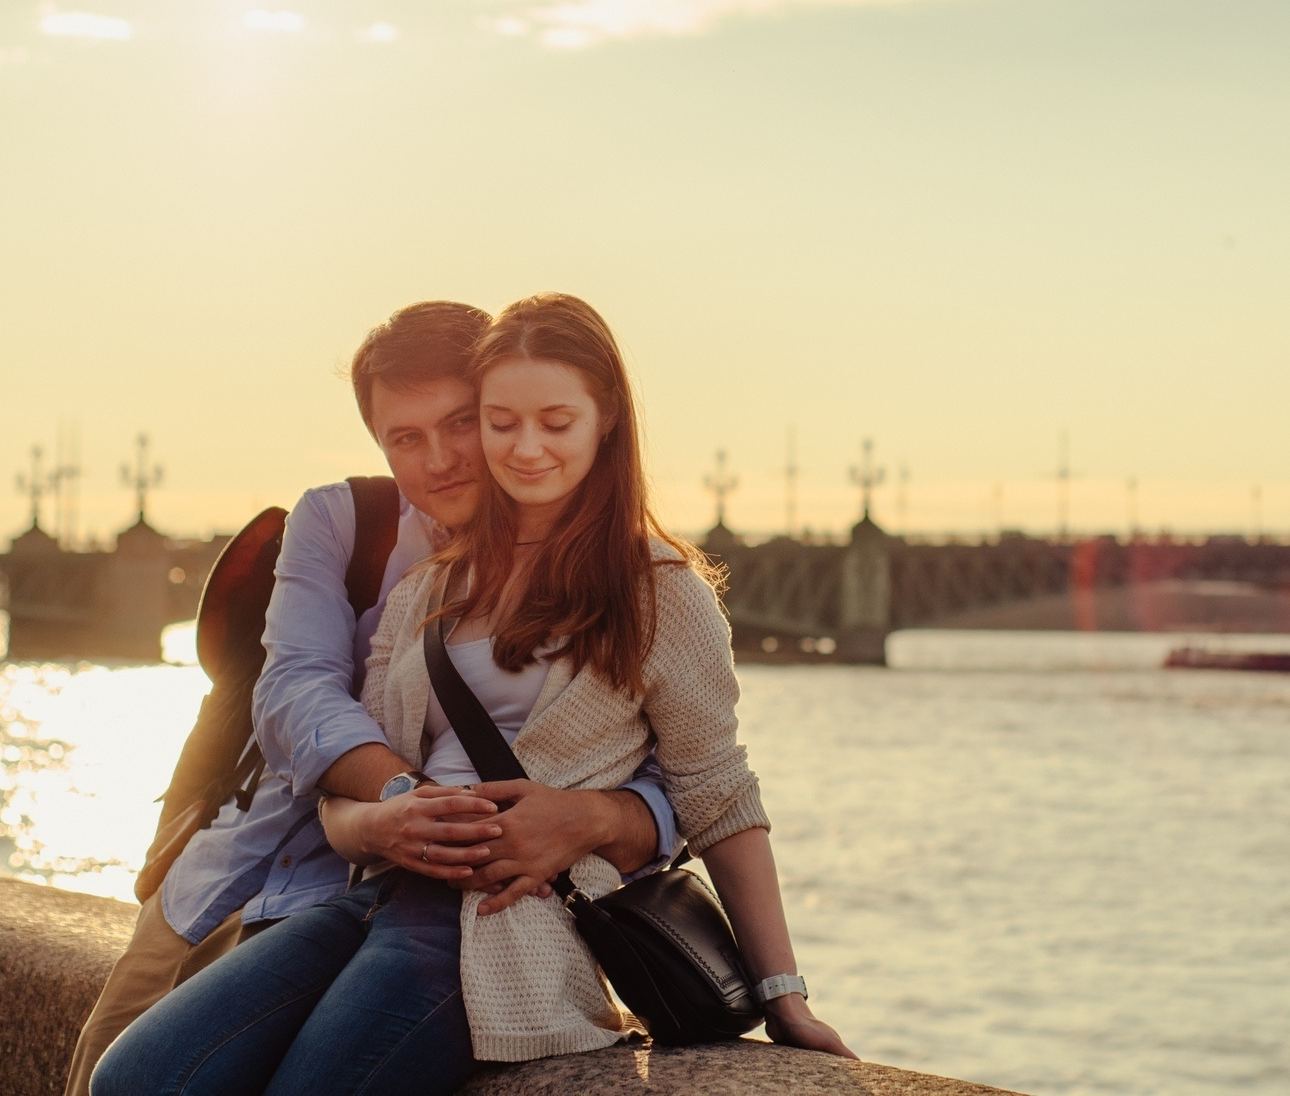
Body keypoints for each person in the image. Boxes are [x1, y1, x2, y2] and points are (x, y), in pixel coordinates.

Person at [94, 294, 850, 1096]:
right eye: (501, 422)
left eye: (555, 422)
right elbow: (334, 798)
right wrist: (388, 815)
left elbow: (718, 793)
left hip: (504, 929)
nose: (524, 448)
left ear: (608, 421)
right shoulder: (429, 591)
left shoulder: (661, 591)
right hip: (376, 896)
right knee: (136, 1076)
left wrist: (785, 997)